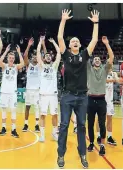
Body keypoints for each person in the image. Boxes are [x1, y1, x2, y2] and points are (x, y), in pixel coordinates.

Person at [57, 9, 99, 168]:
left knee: (81, 126)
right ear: (69, 45)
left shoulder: (85, 54)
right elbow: (60, 37)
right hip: (67, 96)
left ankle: (82, 154)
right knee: (64, 125)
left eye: (77, 40)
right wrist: (63, 20)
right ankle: (61, 155)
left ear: (79, 44)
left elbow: (94, 40)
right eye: (72, 40)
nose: (74, 41)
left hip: (82, 97)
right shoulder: (66, 55)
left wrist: (95, 23)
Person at [87, 36, 114, 156]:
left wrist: (107, 44)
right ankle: (92, 143)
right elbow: (87, 55)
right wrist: (92, 44)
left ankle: (102, 145)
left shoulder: (104, 69)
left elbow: (111, 57)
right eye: (95, 59)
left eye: (99, 59)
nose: (97, 60)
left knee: (102, 124)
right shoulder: (88, 69)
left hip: (102, 100)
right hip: (90, 99)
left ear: (101, 61)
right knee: (90, 123)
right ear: (93, 61)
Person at [37, 36, 61, 142]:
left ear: (51, 58)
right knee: (43, 115)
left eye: (49, 56)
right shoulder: (42, 66)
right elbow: (38, 53)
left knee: (54, 114)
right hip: (43, 95)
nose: (48, 57)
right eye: (46, 56)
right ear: (44, 58)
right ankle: (42, 135)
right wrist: (40, 42)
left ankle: (54, 133)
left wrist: (54, 42)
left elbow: (59, 53)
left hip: (53, 95)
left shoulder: (54, 67)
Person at [0, 44, 24, 138]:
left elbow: (23, 64)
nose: (11, 59)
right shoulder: (4, 66)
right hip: (4, 92)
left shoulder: (16, 67)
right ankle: (3, 128)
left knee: (13, 110)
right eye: (10, 57)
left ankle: (13, 129)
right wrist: (5, 51)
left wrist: (19, 52)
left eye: (13, 58)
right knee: (4, 110)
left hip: (13, 92)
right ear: (7, 58)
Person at [96, 65, 119, 146]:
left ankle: (109, 137)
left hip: (109, 101)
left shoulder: (113, 73)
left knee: (110, 119)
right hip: (101, 100)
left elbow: (117, 80)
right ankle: (99, 136)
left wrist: (116, 76)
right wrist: (113, 79)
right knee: (100, 119)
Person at [22, 37, 40, 132]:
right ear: (31, 58)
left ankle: (37, 125)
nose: (35, 57)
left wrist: (42, 43)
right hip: (29, 89)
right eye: (33, 56)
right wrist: (28, 45)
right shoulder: (29, 65)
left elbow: (44, 55)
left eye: (36, 56)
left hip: (37, 90)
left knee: (37, 107)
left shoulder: (40, 65)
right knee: (27, 106)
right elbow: (25, 56)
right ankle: (26, 124)